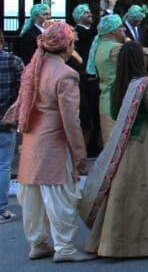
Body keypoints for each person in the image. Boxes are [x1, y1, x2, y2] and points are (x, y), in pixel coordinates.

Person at [79, 41, 148, 258]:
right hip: (146, 141)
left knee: (120, 192)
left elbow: (114, 113)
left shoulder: (118, 84)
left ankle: (113, 242)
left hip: (123, 142)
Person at [9, 23, 94, 262]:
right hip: (54, 144)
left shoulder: (33, 67)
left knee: (33, 198)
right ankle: (64, 248)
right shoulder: (65, 73)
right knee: (60, 197)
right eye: (72, 42)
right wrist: (80, 155)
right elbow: (71, 120)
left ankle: (38, 244)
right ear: (66, 45)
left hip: (32, 142)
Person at [87, 14, 148, 145]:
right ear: (112, 30)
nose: (124, 29)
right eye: (121, 27)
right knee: (117, 150)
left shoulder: (101, 46)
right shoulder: (115, 49)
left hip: (106, 101)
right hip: (115, 103)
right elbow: (147, 55)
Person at [71, 4, 101, 157]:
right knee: (86, 113)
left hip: (95, 77)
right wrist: (108, 10)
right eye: (86, 12)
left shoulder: (91, 31)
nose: (90, 14)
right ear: (78, 16)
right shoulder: (78, 32)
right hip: (83, 78)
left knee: (96, 111)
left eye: (90, 11)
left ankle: (94, 144)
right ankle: (85, 146)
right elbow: (91, 34)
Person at [0, 35, 24, 224]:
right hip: (5, 120)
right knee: (3, 165)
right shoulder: (14, 61)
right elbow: (23, 91)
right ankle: (1, 209)